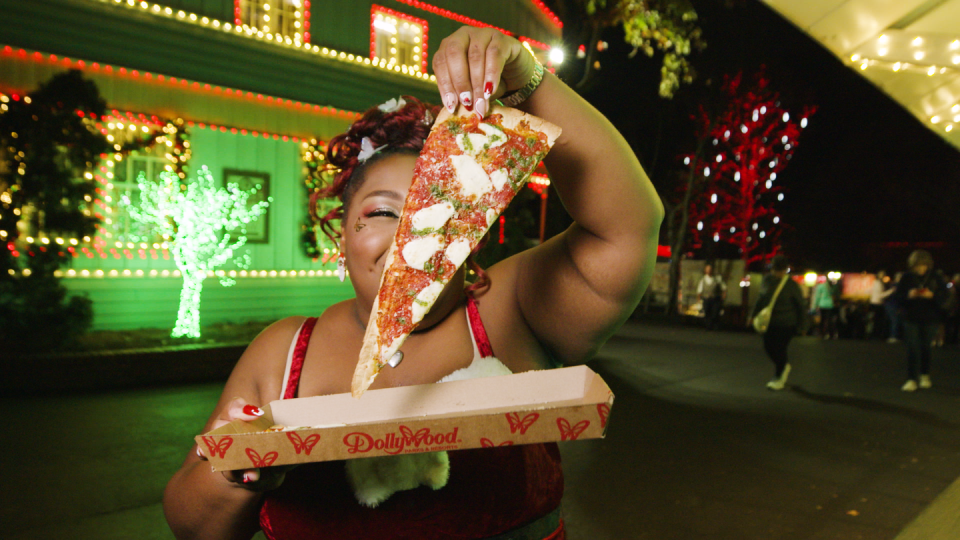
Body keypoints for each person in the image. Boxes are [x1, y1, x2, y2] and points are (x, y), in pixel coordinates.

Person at [162, 26, 663, 540]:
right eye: (382, 212)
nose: (409, 236)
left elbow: (627, 228)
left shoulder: (514, 313)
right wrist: (234, 468)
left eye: (439, 210)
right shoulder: (282, 353)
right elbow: (192, 524)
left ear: (473, 243)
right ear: (343, 239)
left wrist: (528, 81)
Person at [893, 250, 947, 392]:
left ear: (928, 265)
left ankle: (925, 375)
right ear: (912, 266)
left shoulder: (935, 277)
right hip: (911, 317)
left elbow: (945, 296)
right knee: (912, 347)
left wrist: (932, 296)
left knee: (925, 347)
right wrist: (908, 295)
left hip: (930, 318)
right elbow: (897, 297)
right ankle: (911, 379)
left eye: (923, 266)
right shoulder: (907, 277)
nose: (921, 269)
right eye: (917, 266)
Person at [749, 255, 805, 391]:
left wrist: (802, 326)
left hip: (787, 323)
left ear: (785, 270)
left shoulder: (791, 285)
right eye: (775, 270)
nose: (777, 273)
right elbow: (760, 299)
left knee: (779, 349)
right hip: (769, 322)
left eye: (780, 270)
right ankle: (784, 366)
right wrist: (752, 315)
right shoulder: (767, 280)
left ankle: (779, 376)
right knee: (768, 347)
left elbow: (800, 306)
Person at [696, 262, 727, 330]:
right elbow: (699, 291)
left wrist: (723, 296)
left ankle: (714, 325)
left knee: (715, 312)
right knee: (707, 312)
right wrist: (699, 300)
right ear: (705, 270)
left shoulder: (717, 278)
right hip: (706, 298)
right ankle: (708, 326)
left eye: (710, 269)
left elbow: (724, 287)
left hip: (715, 299)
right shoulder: (703, 279)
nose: (709, 271)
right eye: (707, 269)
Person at [811, 275, 840, 339]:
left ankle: (822, 333)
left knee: (823, 320)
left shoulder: (821, 286)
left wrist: (815, 306)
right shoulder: (834, 286)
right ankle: (830, 333)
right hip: (831, 305)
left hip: (822, 305)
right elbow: (837, 296)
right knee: (830, 320)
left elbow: (817, 296)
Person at [868, 270, 894, 339]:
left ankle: (873, 335)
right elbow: (880, 295)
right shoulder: (878, 283)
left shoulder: (876, 283)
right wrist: (891, 291)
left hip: (874, 303)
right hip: (877, 304)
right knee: (877, 321)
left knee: (875, 321)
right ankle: (876, 335)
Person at [885, 272, 904, 343]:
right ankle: (893, 336)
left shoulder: (893, 284)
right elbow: (897, 297)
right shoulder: (896, 285)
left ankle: (894, 336)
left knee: (895, 321)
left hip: (891, 305)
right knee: (894, 321)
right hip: (892, 305)